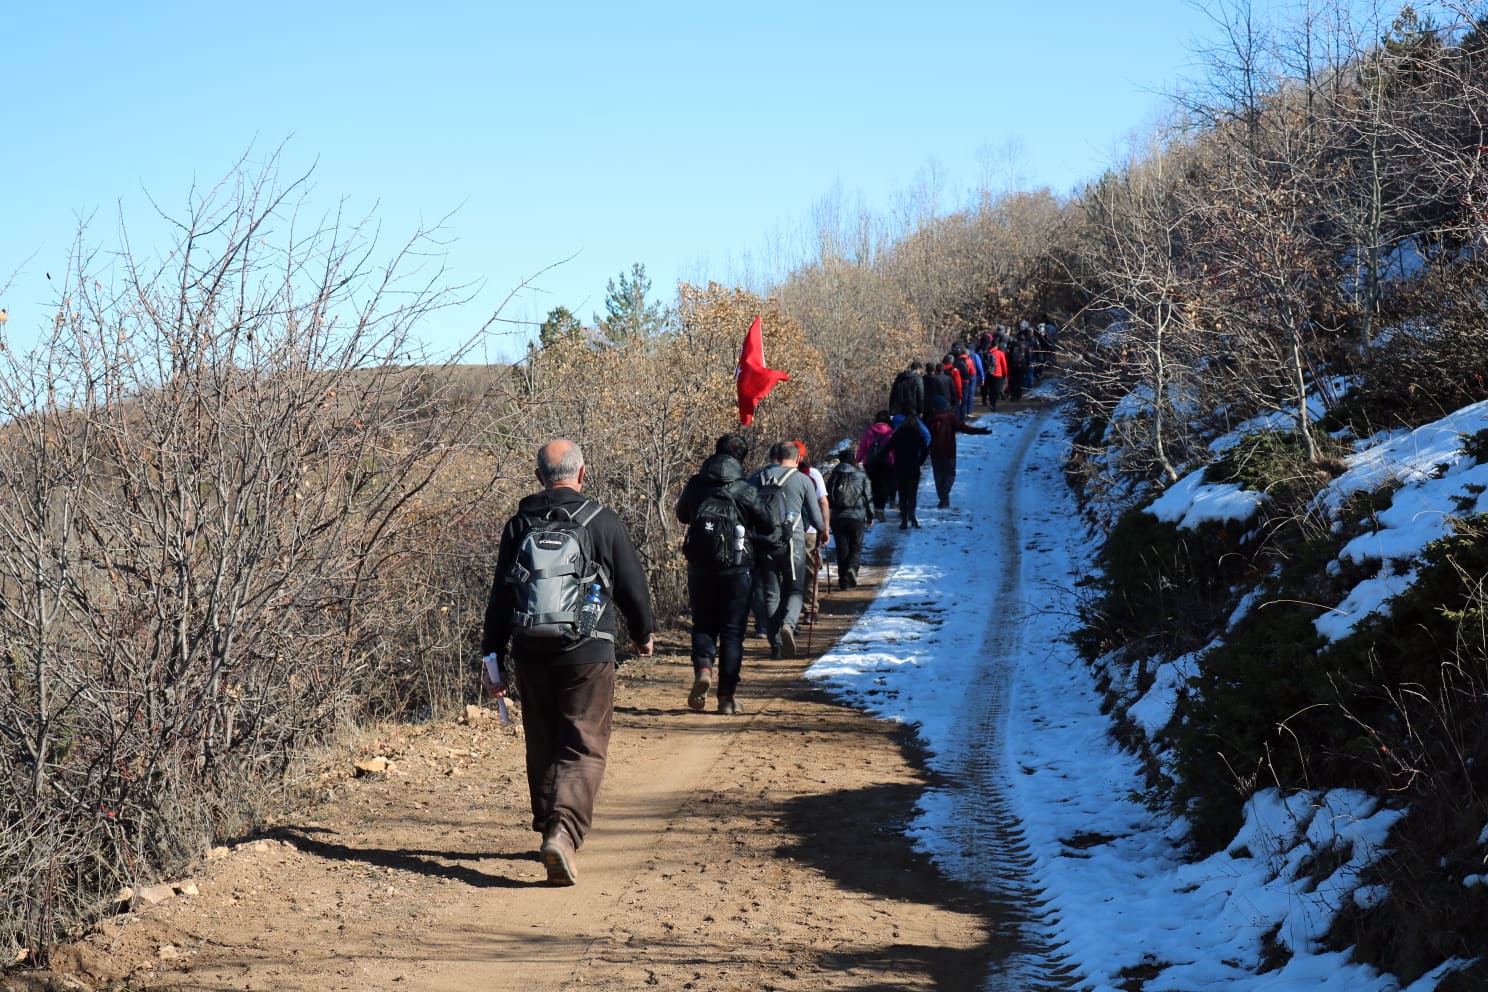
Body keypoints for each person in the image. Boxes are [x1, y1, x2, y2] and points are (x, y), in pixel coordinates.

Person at [481, 439, 655, 886]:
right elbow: (632, 586)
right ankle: (563, 831)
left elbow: (501, 597)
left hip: (529, 649)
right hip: (589, 650)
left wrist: (492, 655)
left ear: (539, 476)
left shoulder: (519, 524)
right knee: (582, 744)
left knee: (542, 739)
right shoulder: (602, 521)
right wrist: (642, 633)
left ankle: (547, 826)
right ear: (581, 474)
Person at [675, 434, 778, 716]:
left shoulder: (697, 484)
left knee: (703, 625)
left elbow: (682, 516)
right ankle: (726, 698)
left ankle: (704, 670)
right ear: (741, 459)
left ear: (715, 453)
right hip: (736, 568)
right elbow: (767, 524)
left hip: (700, 569)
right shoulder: (744, 489)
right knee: (732, 634)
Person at [750, 440, 824, 659]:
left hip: (763, 542)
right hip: (793, 543)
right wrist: (822, 531)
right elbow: (816, 518)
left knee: (771, 593)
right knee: (794, 589)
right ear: (798, 458)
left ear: (774, 456)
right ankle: (789, 625)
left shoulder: (757, 478)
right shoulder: (802, 479)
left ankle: (776, 644)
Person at [925, 395, 991, 508]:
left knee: (938, 477)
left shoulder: (930, 420)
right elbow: (965, 428)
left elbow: (925, 436)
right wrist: (981, 431)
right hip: (949, 451)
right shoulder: (951, 418)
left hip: (935, 453)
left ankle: (943, 499)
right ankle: (945, 496)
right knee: (950, 475)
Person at [792, 440, 831, 621]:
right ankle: (810, 610)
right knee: (810, 568)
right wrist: (824, 528)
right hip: (809, 530)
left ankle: (787, 611)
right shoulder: (812, 473)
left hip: (786, 529)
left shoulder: (778, 473)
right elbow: (823, 502)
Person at [825, 448, 874, 587]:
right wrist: (871, 515)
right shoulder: (861, 475)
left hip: (837, 517)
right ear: (853, 459)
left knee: (841, 547)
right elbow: (868, 496)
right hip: (857, 516)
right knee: (856, 545)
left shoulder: (834, 475)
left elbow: (827, 496)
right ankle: (852, 569)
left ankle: (843, 581)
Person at [887, 411, 930, 529]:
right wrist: (919, 462)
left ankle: (904, 520)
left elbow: (887, 448)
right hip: (913, 467)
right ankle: (913, 516)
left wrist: (892, 461)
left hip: (900, 467)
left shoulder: (897, 434)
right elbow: (925, 451)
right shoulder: (917, 435)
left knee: (902, 494)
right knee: (912, 494)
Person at [856, 411, 896, 523]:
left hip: (870, 463)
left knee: (871, 487)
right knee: (883, 488)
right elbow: (894, 449)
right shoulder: (890, 432)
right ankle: (880, 510)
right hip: (887, 463)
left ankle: (871, 511)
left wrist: (856, 461)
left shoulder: (869, 431)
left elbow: (862, 448)